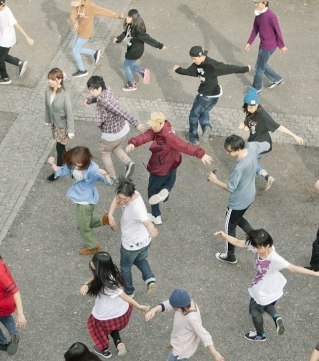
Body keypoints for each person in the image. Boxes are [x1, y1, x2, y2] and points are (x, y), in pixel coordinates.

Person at [215, 228, 319, 342]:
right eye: (254, 247)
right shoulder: (259, 245)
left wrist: (315, 273)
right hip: (273, 284)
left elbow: (293, 268)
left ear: (268, 245)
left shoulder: (275, 258)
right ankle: (276, 317)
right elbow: (239, 242)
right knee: (266, 303)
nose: (256, 249)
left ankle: (260, 335)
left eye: (259, 247)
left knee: (255, 310)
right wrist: (225, 236)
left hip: (263, 286)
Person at [127, 111, 211, 225]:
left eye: (155, 125)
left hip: (159, 168)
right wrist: (134, 142)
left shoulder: (168, 136)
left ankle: (156, 216)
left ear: (161, 123)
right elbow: (147, 135)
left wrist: (200, 154)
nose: (152, 127)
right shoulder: (166, 128)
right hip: (172, 165)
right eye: (151, 124)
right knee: (168, 183)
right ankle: (165, 193)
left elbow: (184, 146)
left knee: (152, 192)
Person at [144, 288, 223, 361]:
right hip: (183, 344)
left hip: (181, 349)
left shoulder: (191, 318)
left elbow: (204, 334)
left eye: (176, 309)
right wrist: (154, 310)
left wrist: (214, 352)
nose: (174, 309)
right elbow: (168, 305)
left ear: (183, 307)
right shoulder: (188, 302)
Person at [208, 135, 270, 264]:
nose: (227, 152)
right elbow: (267, 144)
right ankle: (255, 241)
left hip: (237, 201)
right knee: (238, 219)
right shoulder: (252, 147)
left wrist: (215, 180)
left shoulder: (239, 167)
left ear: (238, 149)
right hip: (250, 195)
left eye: (229, 150)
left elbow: (230, 188)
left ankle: (230, 255)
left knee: (230, 225)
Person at [81, 251, 150, 358]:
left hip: (105, 315)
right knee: (112, 328)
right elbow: (97, 276)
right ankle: (118, 342)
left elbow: (123, 295)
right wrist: (86, 283)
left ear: (99, 267)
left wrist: (139, 306)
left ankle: (104, 350)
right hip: (120, 311)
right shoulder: (110, 270)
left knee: (98, 331)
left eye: (93, 262)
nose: (91, 263)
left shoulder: (108, 284)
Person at [174, 47, 250, 145]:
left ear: (202, 56)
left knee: (193, 116)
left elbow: (228, 68)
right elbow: (190, 72)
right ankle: (206, 127)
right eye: (192, 58)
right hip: (214, 95)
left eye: (194, 58)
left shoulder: (212, 65)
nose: (193, 60)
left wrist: (245, 68)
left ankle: (193, 138)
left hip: (204, 96)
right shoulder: (196, 64)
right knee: (204, 111)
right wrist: (179, 70)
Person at [47, 145, 112, 255]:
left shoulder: (93, 170)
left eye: (78, 162)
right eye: (74, 161)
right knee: (83, 223)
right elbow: (61, 171)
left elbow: (108, 183)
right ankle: (104, 220)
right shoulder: (74, 164)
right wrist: (52, 164)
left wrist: (106, 175)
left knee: (83, 228)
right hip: (81, 199)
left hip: (86, 202)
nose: (76, 164)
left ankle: (93, 246)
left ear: (86, 160)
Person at [239, 87, 303, 190]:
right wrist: (244, 127)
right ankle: (257, 177)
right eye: (248, 107)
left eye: (252, 106)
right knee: (251, 163)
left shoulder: (264, 117)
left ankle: (265, 177)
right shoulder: (248, 111)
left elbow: (278, 127)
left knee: (249, 161)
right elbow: (251, 128)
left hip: (262, 144)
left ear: (257, 104)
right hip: (253, 142)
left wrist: (294, 135)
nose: (250, 109)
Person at [84, 76, 145, 182]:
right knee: (116, 147)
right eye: (90, 89)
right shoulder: (106, 88)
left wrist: (136, 123)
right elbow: (97, 97)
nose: (91, 91)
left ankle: (111, 177)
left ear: (99, 88)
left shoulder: (105, 101)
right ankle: (128, 162)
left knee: (105, 152)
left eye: (93, 89)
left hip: (112, 133)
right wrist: (89, 100)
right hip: (122, 129)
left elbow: (121, 111)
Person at [105, 180, 158, 297]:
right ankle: (150, 279)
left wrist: (151, 229)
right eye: (120, 198)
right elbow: (116, 199)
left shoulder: (137, 209)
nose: (121, 202)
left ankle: (129, 292)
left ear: (131, 195)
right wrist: (110, 214)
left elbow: (147, 222)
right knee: (140, 260)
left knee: (125, 267)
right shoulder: (131, 193)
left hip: (131, 245)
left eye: (124, 200)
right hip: (144, 242)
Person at [112, 9, 165, 91]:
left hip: (135, 52)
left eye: (129, 16)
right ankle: (143, 71)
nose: (127, 17)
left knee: (126, 66)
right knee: (130, 64)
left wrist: (160, 46)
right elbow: (125, 33)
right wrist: (118, 39)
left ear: (133, 18)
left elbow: (148, 39)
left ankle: (132, 84)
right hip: (133, 49)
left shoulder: (138, 30)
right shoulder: (131, 25)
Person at [69, 0, 123, 78]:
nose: (75, 6)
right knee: (75, 48)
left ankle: (82, 70)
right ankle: (94, 53)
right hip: (80, 31)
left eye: (77, 4)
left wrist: (118, 16)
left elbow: (104, 11)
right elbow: (72, 15)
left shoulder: (91, 6)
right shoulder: (76, 6)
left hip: (86, 32)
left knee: (75, 50)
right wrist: (74, 22)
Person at [246, 0, 287, 93]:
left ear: (265, 2)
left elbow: (278, 31)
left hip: (268, 46)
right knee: (262, 64)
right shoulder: (258, 15)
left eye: (257, 3)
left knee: (259, 68)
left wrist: (282, 45)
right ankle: (277, 79)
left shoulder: (271, 16)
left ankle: (257, 89)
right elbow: (255, 29)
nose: (255, 5)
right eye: (255, 2)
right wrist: (249, 42)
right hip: (263, 44)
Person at [0, 0, 33, 85]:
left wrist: (27, 37)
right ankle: (20, 63)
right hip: (3, 37)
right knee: (3, 56)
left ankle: (5, 78)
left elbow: (17, 25)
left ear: (2, 4)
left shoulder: (7, 12)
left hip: (6, 39)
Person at [44, 68, 74, 181]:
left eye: (52, 79)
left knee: (59, 147)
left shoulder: (65, 95)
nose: (49, 82)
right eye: (49, 79)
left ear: (59, 80)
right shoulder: (48, 90)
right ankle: (69, 162)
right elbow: (47, 106)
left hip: (62, 125)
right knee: (61, 146)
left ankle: (58, 171)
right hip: (54, 124)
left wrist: (70, 130)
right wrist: (47, 120)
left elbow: (70, 113)